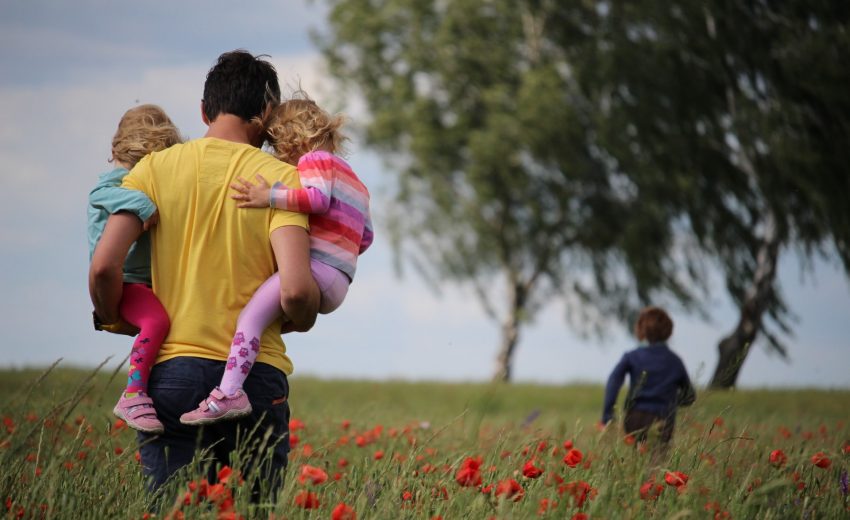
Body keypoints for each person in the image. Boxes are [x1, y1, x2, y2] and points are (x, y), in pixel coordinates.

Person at [89, 50, 320, 495]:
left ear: (203, 110)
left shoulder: (152, 170)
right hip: (255, 378)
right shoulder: (281, 181)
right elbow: (294, 290)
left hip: (171, 373)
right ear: (267, 114)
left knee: (176, 507)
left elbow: (103, 266)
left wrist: (115, 315)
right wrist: (304, 315)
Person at [180, 95, 373, 425]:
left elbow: (315, 199)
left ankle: (229, 393)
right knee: (267, 318)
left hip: (317, 270)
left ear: (294, 138)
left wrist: (267, 196)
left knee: (250, 319)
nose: (279, 156)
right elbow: (365, 237)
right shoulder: (356, 181)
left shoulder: (314, 161)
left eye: (277, 145)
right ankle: (238, 378)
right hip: (340, 280)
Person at [88, 104, 181, 434]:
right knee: (157, 321)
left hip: (142, 281)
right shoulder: (116, 183)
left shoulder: (134, 179)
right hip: (126, 281)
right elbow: (101, 194)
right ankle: (134, 393)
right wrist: (144, 205)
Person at [601, 306, 696, 447]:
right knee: (658, 462)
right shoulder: (675, 361)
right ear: (668, 331)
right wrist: (671, 402)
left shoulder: (632, 357)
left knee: (637, 458)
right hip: (664, 419)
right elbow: (689, 396)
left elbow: (613, 382)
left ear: (640, 329)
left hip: (635, 417)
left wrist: (608, 415)